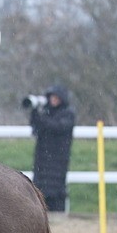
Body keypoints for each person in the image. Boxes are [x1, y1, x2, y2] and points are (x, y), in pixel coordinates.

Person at [28, 84, 77, 212]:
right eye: (52, 97)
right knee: (40, 193)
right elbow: (36, 128)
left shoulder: (67, 114)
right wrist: (34, 112)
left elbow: (56, 127)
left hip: (58, 161)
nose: (53, 100)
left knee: (55, 194)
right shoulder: (46, 113)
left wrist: (40, 116)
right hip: (41, 161)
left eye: (56, 97)